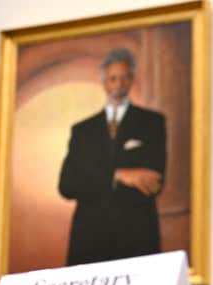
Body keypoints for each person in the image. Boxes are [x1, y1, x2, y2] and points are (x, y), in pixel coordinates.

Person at [59, 48, 166, 265]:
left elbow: (154, 181)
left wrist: (94, 177)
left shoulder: (151, 123)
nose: (119, 84)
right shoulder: (82, 131)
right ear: (104, 82)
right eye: (113, 78)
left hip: (136, 240)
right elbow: (68, 184)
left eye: (125, 77)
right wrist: (118, 175)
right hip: (89, 244)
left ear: (132, 80)